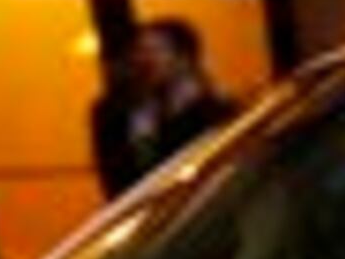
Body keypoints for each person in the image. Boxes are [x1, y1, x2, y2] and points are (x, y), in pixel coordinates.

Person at [91, 18, 240, 197]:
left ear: (183, 58)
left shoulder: (213, 107)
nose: (145, 60)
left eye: (155, 50)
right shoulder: (130, 111)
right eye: (140, 51)